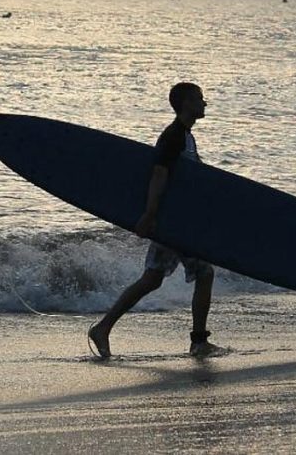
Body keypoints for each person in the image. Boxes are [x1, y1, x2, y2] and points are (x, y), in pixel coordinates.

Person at [88, 82, 222, 359]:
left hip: (174, 222)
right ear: (186, 103)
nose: (204, 103)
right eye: (199, 98)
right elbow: (159, 174)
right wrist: (150, 215)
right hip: (172, 224)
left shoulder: (185, 136)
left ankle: (103, 327)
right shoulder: (173, 136)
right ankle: (198, 342)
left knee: (152, 279)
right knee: (204, 274)